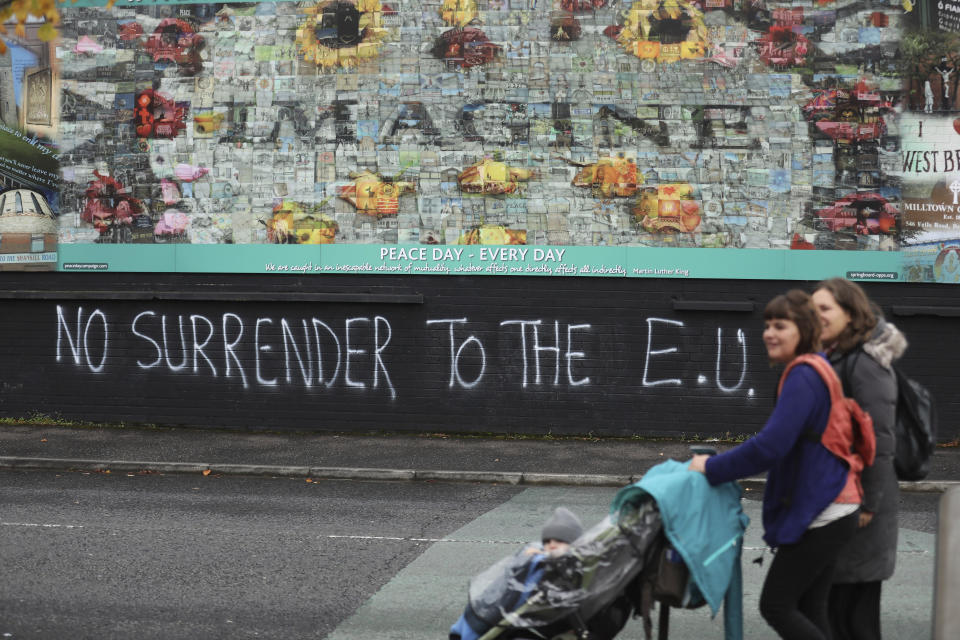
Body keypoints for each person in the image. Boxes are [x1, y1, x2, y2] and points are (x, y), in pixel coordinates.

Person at [688, 289, 860, 640]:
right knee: (811, 609)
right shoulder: (819, 369)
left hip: (826, 511)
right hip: (836, 506)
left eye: (780, 325)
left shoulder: (804, 375)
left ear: (805, 329)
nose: (769, 333)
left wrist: (712, 467)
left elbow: (771, 446)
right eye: (767, 325)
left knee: (776, 605)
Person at [812, 278, 906, 640]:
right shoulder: (838, 354)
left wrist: (867, 504)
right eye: (813, 309)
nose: (816, 316)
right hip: (842, 500)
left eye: (825, 309)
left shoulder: (864, 361)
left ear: (850, 314)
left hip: (860, 508)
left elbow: (880, 439)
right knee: (837, 612)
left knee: (855, 618)